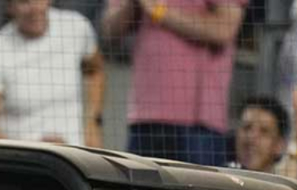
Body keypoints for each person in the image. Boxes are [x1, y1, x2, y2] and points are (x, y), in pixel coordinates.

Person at [101, 0, 246, 166]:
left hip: (198, 127)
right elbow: (109, 31)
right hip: (144, 120)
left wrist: (160, 12)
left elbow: (224, 28)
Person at [0, 0, 104, 148]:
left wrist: (93, 123)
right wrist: (38, 149)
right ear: (9, 7)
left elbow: (95, 70)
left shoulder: (76, 26)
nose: (34, 8)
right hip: (25, 161)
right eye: (24, 2)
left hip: (79, 153)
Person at [232, 96, 290, 174]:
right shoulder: (218, 178)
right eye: (247, 127)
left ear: (279, 145)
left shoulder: (287, 184)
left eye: (264, 131)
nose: (251, 137)